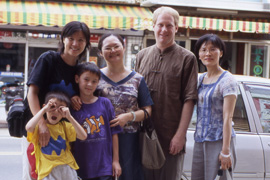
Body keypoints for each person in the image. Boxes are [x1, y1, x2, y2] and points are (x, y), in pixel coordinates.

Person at [135, 6, 198, 180]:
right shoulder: (142, 56)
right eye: (160, 24)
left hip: (170, 138)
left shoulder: (187, 58)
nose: (164, 30)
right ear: (153, 26)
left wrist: (180, 136)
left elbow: (189, 99)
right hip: (143, 136)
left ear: (176, 28)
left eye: (169, 25)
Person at [25, 21, 91, 180]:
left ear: (87, 44)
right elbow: (32, 93)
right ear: (63, 39)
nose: (75, 44)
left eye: (81, 40)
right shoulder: (48, 59)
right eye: (71, 38)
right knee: (35, 174)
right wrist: (41, 124)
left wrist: (75, 98)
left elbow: (74, 100)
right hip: (36, 132)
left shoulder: (80, 70)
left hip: (61, 137)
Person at [96, 33, 153, 180]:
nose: (113, 50)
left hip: (129, 140)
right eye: (108, 48)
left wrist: (129, 117)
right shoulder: (94, 77)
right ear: (101, 52)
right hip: (100, 138)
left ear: (124, 47)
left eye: (116, 46)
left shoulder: (137, 79)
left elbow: (147, 110)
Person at [191, 34, 237, 180]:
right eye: (203, 49)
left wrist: (225, 150)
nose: (208, 53)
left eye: (213, 49)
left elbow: (227, 117)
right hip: (200, 140)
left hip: (219, 141)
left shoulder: (228, 80)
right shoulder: (199, 79)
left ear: (221, 53)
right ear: (198, 54)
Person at [71, 62, 122, 180]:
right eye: (86, 79)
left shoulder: (105, 103)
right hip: (80, 167)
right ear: (77, 79)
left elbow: (114, 133)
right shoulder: (72, 107)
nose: (89, 84)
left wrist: (116, 161)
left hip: (104, 167)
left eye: (94, 81)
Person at [25, 91, 87, 180]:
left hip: (67, 167)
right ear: (45, 107)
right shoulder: (39, 128)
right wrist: (43, 110)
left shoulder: (65, 126)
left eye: (60, 109)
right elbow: (29, 127)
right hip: (47, 171)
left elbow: (83, 136)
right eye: (52, 107)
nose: (56, 111)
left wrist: (69, 117)